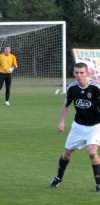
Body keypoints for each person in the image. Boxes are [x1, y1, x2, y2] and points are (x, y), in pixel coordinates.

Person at [49, 63, 100, 192]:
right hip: (78, 126)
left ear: (87, 73)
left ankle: (99, 185)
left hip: (95, 125)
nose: (79, 75)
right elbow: (66, 105)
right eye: (76, 72)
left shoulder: (96, 88)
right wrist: (62, 122)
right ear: (74, 73)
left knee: (92, 152)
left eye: (82, 73)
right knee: (66, 155)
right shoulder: (72, 88)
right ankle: (59, 177)